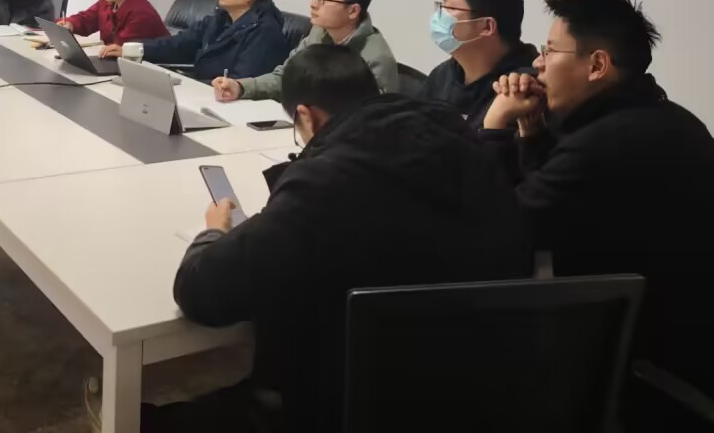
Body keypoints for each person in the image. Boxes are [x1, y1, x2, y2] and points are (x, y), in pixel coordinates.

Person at [140, 46, 529, 433]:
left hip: (346, 402)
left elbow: (200, 292)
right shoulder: (464, 139)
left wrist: (214, 232)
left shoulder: (326, 182)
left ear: (306, 116)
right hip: (473, 389)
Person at [482, 0, 714, 431]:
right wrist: (532, 132)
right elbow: (553, 204)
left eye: (549, 50)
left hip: (679, 392)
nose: (537, 64)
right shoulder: (656, 117)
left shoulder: (613, 141)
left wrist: (494, 128)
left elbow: (501, 233)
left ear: (597, 65)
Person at [212, 0, 398, 102]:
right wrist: (241, 87)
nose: (313, 4)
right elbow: (285, 78)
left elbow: (371, 122)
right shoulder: (318, 34)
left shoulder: (376, 58)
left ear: (353, 11)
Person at [102, 0, 287, 83]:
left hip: (224, 103)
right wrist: (134, 49)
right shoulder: (219, 19)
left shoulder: (265, 32)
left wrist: (188, 85)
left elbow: (241, 83)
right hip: (200, 90)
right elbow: (179, 43)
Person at [421, 0, 539, 129]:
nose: (439, 16)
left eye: (450, 8)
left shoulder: (519, 87)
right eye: (441, 6)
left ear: (487, 26)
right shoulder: (442, 75)